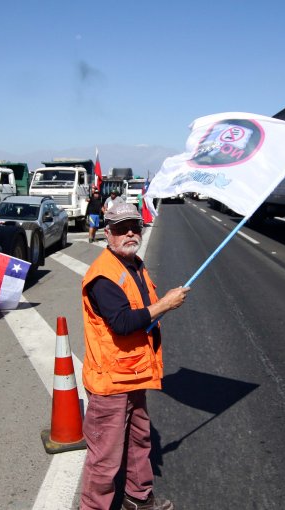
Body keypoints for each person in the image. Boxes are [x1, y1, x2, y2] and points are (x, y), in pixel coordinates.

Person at [80, 202, 190, 510]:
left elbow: (143, 313)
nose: (129, 232)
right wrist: (166, 304)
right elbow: (124, 322)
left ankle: (138, 499)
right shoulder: (104, 276)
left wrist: (160, 306)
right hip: (111, 382)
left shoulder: (135, 264)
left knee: (140, 440)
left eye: (134, 226)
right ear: (107, 234)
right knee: (104, 460)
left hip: (134, 375)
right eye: (120, 228)